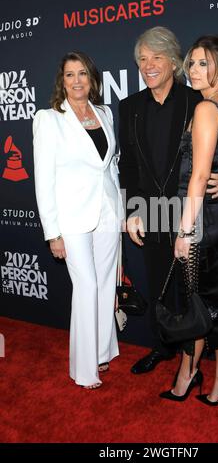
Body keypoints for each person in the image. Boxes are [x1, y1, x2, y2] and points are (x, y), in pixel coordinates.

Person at [119, 27, 218, 375]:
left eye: (156, 57)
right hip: (152, 211)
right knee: (159, 284)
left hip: (189, 209)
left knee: (193, 292)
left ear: (173, 61)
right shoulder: (129, 108)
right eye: (142, 59)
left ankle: (192, 360)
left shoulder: (197, 100)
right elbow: (127, 164)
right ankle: (162, 347)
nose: (148, 65)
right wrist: (132, 211)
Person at [159, 34, 218, 406]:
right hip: (208, 218)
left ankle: (208, 374)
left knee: (202, 301)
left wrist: (184, 232)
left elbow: (197, 176)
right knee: (207, 299)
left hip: (197, 222)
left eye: (203, 63)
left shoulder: (207, 110)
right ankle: (208, 373)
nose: (192, 70)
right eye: (191, 62)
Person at [33, 51, 123, 389]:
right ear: (62, 81)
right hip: (71, 218)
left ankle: (101, 352)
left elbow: (111, 167)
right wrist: (52, 232)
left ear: (92, 79)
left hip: (107, 213)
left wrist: (122, 211)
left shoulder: (104, 113)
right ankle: (84, 370)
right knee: (86, 286)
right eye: (69, 75)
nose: (76, 80)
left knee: (103, 285)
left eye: (82, 73)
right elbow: (44, 180)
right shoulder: (49, 118)